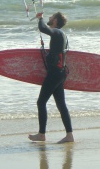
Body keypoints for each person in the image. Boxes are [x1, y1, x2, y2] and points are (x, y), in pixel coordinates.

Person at [28, 12, 74, 143]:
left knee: (41, 102)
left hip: (55, 74)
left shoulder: (57, 33)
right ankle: (69, 136)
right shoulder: (62, 35)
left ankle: (41, 134)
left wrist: (40, 18)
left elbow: (43, 28)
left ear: (56, 21)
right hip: (60, 73)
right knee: (61, 105)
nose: (49, 18)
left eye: (51, 17)